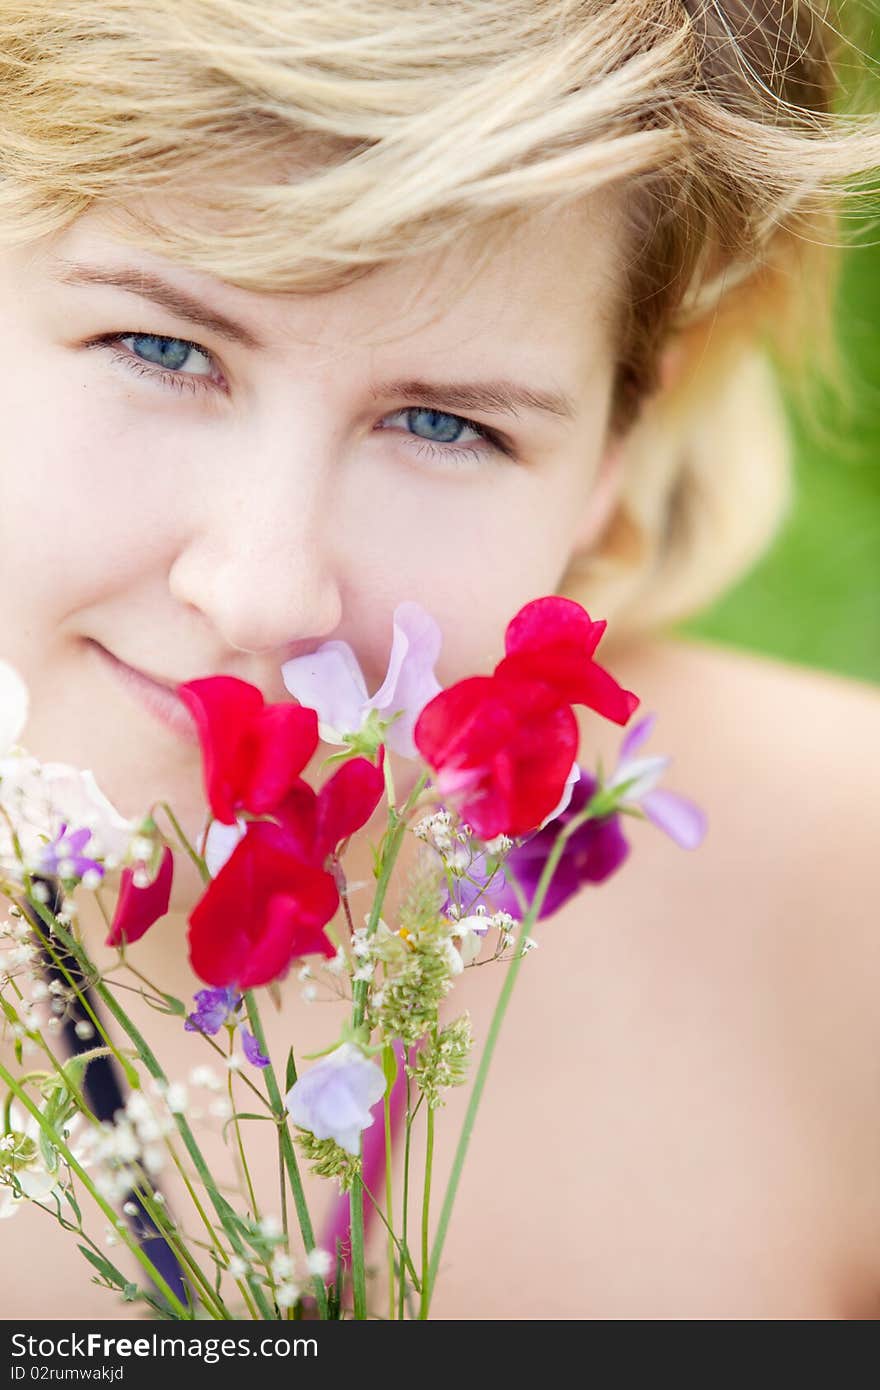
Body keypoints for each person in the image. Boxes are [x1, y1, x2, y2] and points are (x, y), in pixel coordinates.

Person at [0, 0, 878, 1319]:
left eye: (445, 423)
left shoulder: (841, 903)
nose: (263, 591)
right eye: (161, 346)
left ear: (612, 459)